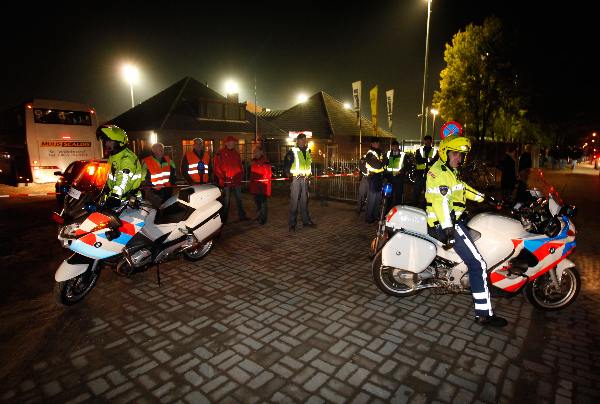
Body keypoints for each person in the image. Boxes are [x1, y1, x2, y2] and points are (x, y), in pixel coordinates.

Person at [426, 133, 507, 327]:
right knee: (478, 264)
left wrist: (486, 198)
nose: (459, 158)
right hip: (447, 224)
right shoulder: (439, 172)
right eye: (455, 154)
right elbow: (441, 202)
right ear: (445, 153)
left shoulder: (449, 171)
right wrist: (448, 229)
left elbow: (462, 189)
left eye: (461, 155)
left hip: (452, 221)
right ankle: (484, 314)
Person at [95, 124, 144, 209]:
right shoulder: (113, 157)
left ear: (119, 142)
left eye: (109, 141)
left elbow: (124, 178)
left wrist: (115, 195)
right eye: (105, 141)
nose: (106, 144)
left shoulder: (127, 158)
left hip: (128, 201)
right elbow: (109, 176)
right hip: (118, 199)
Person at [283, 133, 316, 232]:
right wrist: (289, 174)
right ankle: (292, 224)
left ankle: (306, 221)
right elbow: (286, 164)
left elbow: (308, 165)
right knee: (294, 202)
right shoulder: (292, 151)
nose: (303, 142)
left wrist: (309, 175)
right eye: (301, 140)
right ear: (298, 141)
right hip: (296, 179)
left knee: (304, 201)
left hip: (305, 179)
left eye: (304, 140)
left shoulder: (308, 151)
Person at [213, 135, 248, 223]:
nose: (233, 144)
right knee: (226, 202)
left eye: (234, 142)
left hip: (236, 181)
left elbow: (240, 166)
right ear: (227, 143)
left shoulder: (236, 153)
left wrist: (241, 176)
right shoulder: (220, 153)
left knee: (239, 200)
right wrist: (222, 178)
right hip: (226, 182)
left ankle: (242, 216)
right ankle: (223, 219)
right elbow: (217, 168)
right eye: (232, 142)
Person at [142, 143, 177, 208]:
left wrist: (172, 182)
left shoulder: (169, 160)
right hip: (153, 191)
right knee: (155, 210)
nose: (161, 151)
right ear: (153, 151)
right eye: (159, 149)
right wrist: (147, 187)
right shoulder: (147, 161)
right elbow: (142, 177)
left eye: (162, 149)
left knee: (166, 208)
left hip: (167, 189)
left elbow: (174, 173)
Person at [364, 137, 387, 224]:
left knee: (378, 198)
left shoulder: (379, 153)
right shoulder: (370, 154)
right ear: (372, 144)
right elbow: (378, 165)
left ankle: (375, 216)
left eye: (378, 143)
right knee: (372, 198)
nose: (377, 144)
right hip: (373, 178)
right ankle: (369, 217)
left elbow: (382, 163)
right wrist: (383, 162)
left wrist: (382, 163)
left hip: (379, 177)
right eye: (376, 143)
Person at [413, 135, 438, 207]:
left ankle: (426, 207)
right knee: (416, 192)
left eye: (429, 140)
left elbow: (436, 162)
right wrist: (428, 160)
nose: (427, 142)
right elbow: (418, 161)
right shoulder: (419, 150)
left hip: (430, 175)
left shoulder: (435, 151)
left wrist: (425, 160)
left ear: (431, 141)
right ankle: (415, 206)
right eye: (426, 140)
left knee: (428, 192)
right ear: (424, 141)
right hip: (420, 174)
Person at [249, 145, 272, 224]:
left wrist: (263, 181)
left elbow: (268, 173)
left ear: (261, 152)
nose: (255, 153)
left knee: (263, 203)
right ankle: (259, 216)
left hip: (262, 186)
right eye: (255, 152)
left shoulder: (265, 161)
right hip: (255, 186)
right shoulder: (253, 161)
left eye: (257, 151)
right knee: (257, 202)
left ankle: (263, 219)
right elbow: (252, 174)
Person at [385, 139, 406, 208]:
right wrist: (386, 171)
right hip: (390, 178)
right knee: (389, 195)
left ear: (398, 147)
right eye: (393, 147)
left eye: (396, 146)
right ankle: (388, 209)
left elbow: (406, 166)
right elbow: (385, 164)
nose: (395, 148)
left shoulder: (402, 155)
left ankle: (397, 209)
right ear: (391, 147)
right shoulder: (388, 154)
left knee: (398, 195)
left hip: (399, 178)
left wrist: (401, 172)